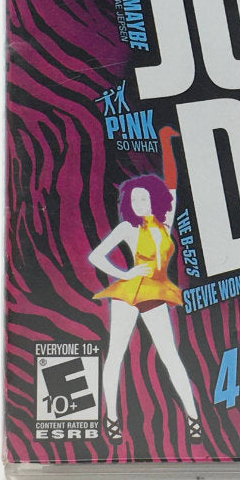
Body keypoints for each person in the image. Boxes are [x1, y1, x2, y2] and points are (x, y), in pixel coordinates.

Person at [89, 127, 203, 442]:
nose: (139, 202)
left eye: (143, 197)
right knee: (116, 354)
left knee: (170, 355)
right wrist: (125, 274)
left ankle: (193, 419)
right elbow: (97, 256)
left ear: (153, 198)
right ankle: (111, 419)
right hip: (128, 294)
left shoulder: (164, 223)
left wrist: (166, 142)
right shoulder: (127, 227)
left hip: (156, 292)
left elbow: (172, 182)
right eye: (134, 198)